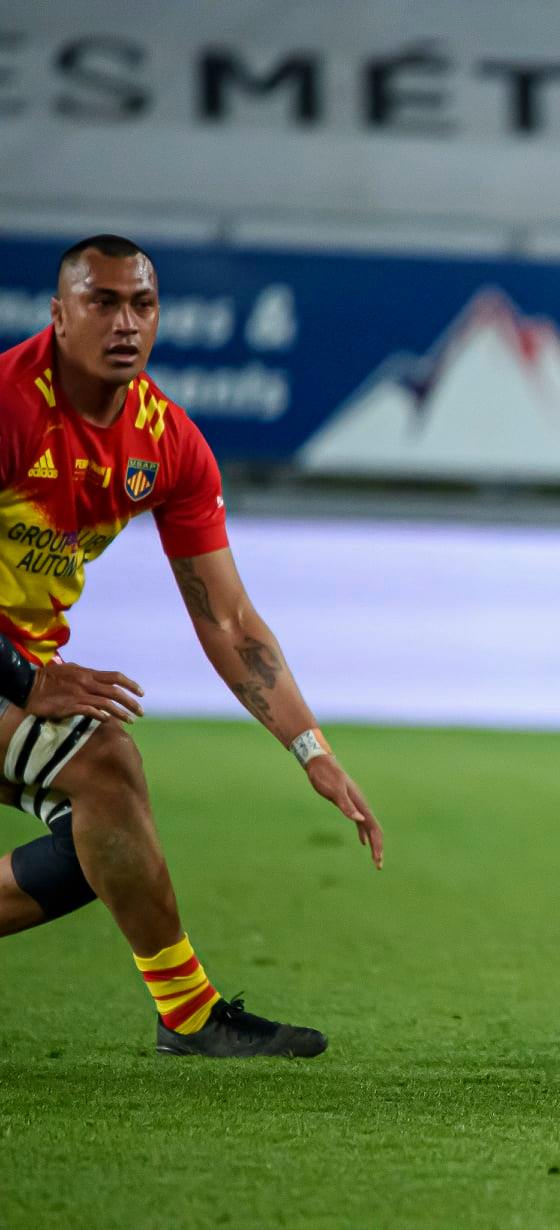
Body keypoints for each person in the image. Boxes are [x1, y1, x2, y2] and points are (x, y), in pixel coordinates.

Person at [0, 235, 382, 1058]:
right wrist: (25, 679)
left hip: (17, 673)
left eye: (141, 303)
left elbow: (230, 620)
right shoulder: (6, 406)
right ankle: (188, 1012)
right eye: (101, 301)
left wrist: (311, 750)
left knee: (101, 839)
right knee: (105, 770)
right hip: (12, 674)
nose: (125, 322)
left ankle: (187, 1013)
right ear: (58, 316)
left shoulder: (166, 442)